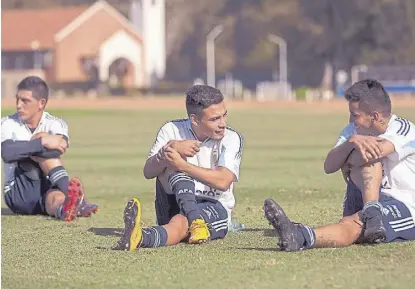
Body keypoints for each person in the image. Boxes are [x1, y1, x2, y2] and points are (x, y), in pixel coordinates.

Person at [264, 79, 415, 251]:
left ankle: (300, 236)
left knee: (354, 221)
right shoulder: (353, 132)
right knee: (362, 164)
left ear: (374, 116)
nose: (351, 119)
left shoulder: (404, 129)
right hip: (363, 201)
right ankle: (371, 212)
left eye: (355, 115)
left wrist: (346, 162)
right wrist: (351, 142)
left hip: (404, 206)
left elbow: (373, 154)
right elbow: (329, 166)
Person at [114, 85, 244, 251]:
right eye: (214, 119)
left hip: (214, 206)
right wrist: (170, 148)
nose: (223, 124)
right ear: (195, 119)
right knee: (171, 156)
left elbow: (223, 181)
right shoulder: (171, 130)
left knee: (182, 222)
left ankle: (141, 237)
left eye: (224, 115)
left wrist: (182, 165)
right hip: (172, 203)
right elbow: (148, 172)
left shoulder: (231, 138)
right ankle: (194, 220)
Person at [1, 76, 98, 221]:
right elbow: (7, 153)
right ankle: (81, 202)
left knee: (58, 198)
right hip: (18, 192)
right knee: (40, 138)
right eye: (17, 99)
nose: (18, 105)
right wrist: (42, 142)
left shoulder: (55, 123)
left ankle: (64, 210)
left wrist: (26, 149)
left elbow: (58, 150)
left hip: (46, 186)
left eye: (25, 100)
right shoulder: (8, 123)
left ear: (41, 103)